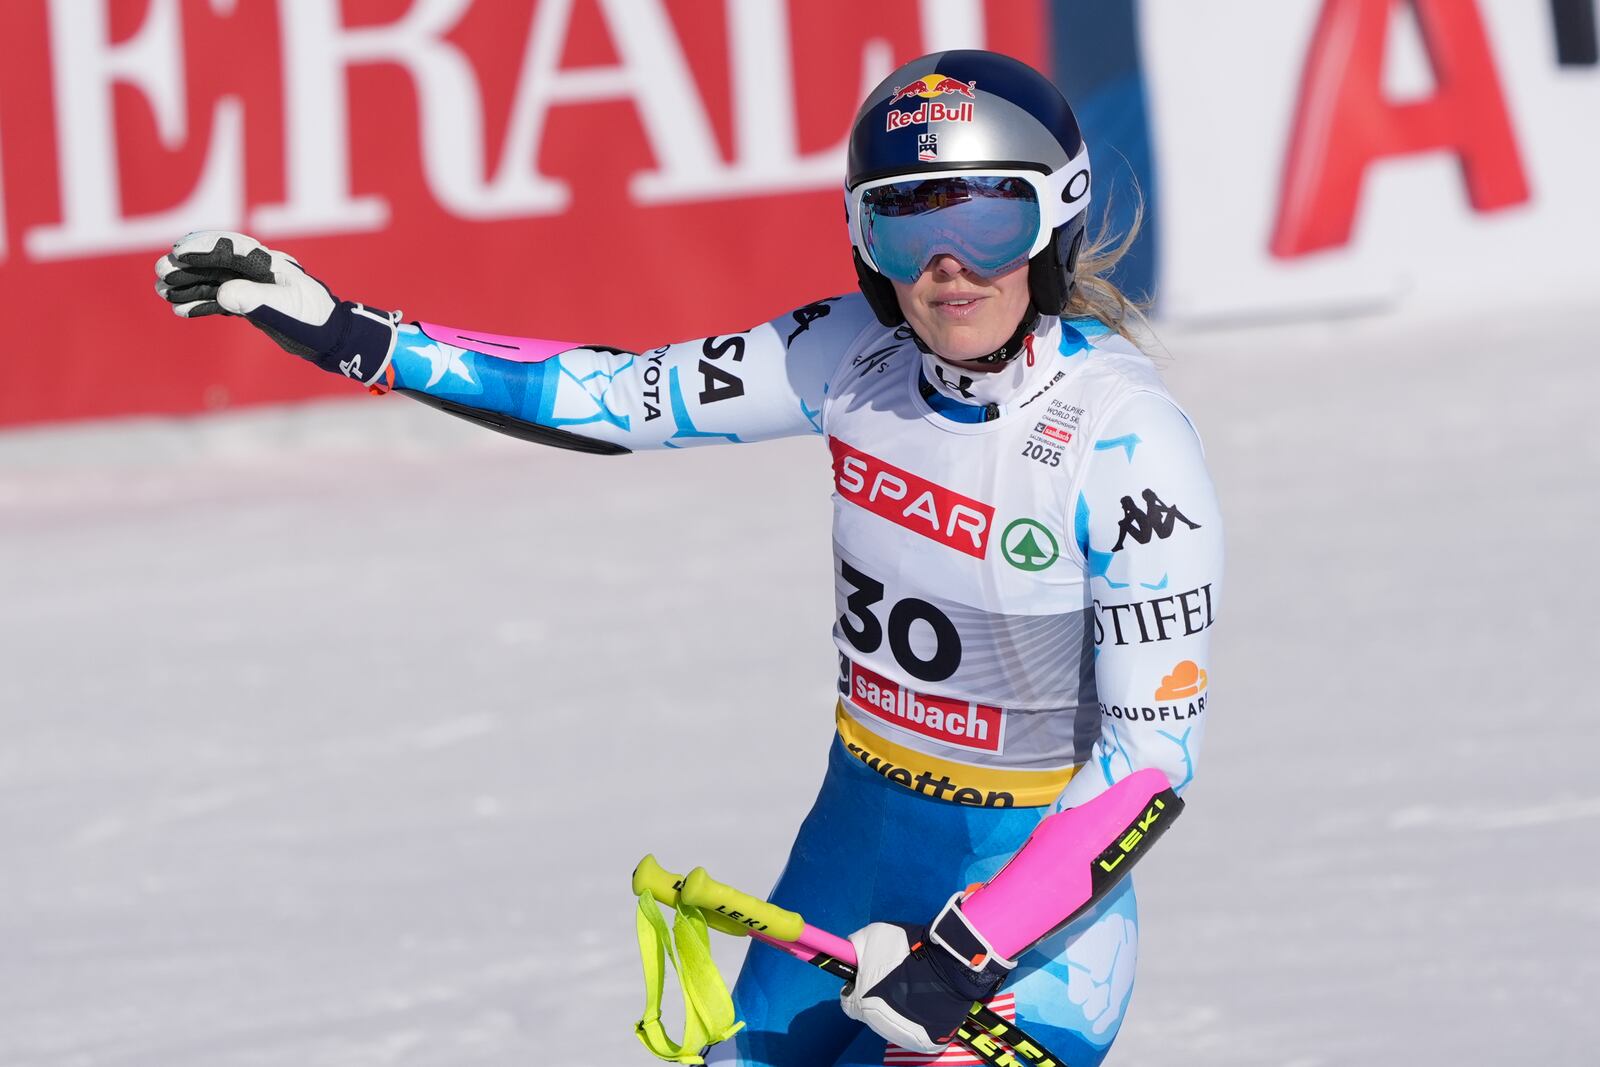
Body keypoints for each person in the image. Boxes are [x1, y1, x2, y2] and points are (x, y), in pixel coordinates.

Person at [155, 49, 1222, 1067]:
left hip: (1030, 920)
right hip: (855, 852)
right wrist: (351, 333)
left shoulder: (1124, 442)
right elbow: (618, 398)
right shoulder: (846, 353)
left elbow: (1151, 761)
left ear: (1055, 220)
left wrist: (969, 950)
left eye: (988, 223)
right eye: (902, 229)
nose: (947, 270)